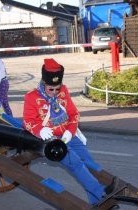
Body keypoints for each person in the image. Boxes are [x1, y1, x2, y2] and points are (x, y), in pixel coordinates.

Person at [23, 58, 118, 205]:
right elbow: (27, 121)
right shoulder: (31, 97)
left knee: (89, 164)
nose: (54, 93)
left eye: (57, 89)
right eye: (51, 89)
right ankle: (101, 193)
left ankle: (97, 203)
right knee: (75, 163)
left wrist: (69, 132)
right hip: (52, 140)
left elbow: (74, 114)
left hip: (69, 135)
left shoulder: (64, 91)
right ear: (43, 83)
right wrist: (40, 130)